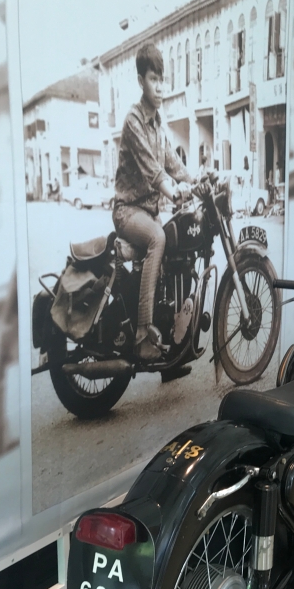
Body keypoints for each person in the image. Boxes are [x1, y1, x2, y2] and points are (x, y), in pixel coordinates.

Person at [112, 43, 195, 363]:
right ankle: (143, 335)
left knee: (175, 248)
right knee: (158, 238)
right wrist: (173, 192)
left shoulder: (159, 123)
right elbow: (152, 169)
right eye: (153, 79)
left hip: (148, 212)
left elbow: (172, 163)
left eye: (163, 79)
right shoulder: (133, 121)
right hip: (127, 211)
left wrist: (196, 181)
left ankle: (170, 357)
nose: (159, 86)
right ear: (140, 81)